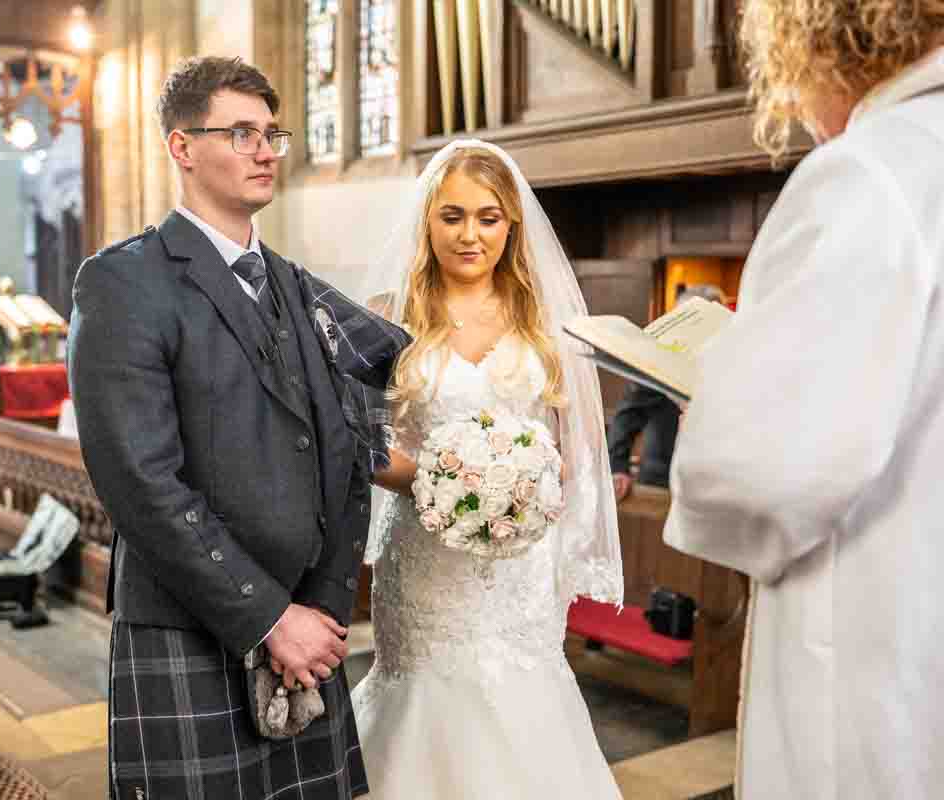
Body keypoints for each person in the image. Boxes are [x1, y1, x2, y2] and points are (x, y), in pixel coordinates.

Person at [68, 56, 408, 800]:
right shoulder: (125, 281)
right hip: (193, 623)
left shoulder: (295, 285)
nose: (264, 150)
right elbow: (140, 482)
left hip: (304, 624)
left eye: (271, 134)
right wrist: (269, 618)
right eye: (241, 132)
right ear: (182, 147)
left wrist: (322, 601)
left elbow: (350, 439)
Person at [662, 3, 944, 798]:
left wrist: (713, 411)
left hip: (877, 640)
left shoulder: (873, 172)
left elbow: (758, 474)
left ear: (827, 38)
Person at [351, 140, 624, 799]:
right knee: (424, 701)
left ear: (511, 225)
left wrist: (527, 491)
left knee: (521, 701)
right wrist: (436, 480)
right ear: (427, 220)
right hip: (423, 563)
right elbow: (358, 439)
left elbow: (580, 451)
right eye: (452, 216)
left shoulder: (546, 325)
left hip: (518, 573)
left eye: (488, 217)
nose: (470, 234)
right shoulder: (390, 316)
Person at [608, 284, 725, 501]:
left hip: (714, 484)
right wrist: (617, 466)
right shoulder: (660, 361)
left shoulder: (728, 363)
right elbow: (627, 414)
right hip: (661, 482)